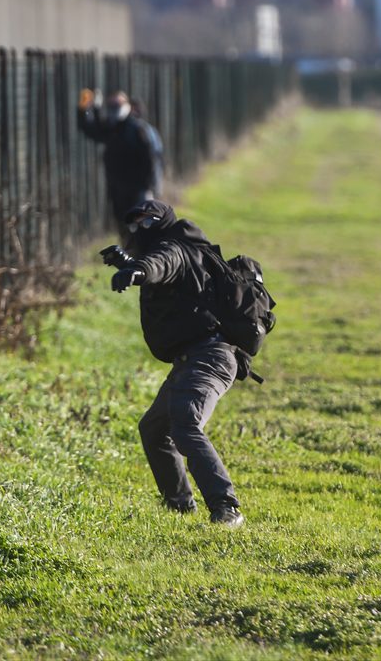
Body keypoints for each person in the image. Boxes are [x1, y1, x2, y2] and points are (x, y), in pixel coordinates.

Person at [102, 199, 247, 527]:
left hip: (211, 357)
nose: (141, 229)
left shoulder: (177, 248)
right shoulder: (175, 249)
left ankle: (227, 508)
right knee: (154, 429)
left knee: (185, 422)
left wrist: (138, 270)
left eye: (149, 222)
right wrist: (131, 265)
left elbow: (162, 263)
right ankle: (180, 507)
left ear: (164, 222)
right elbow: (161, 271)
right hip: (192, 359)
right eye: (135, 224)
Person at [78, 89, 163, 228]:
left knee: (143, 228)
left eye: (117, 105)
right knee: (124, 227)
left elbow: (151, 160)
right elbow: (92, 129)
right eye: (111, 106)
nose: (114, 109)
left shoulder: (139, 130)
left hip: (138, 188)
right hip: (118, 188)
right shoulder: (113, 129)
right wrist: (84, 110)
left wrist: (149, 186)